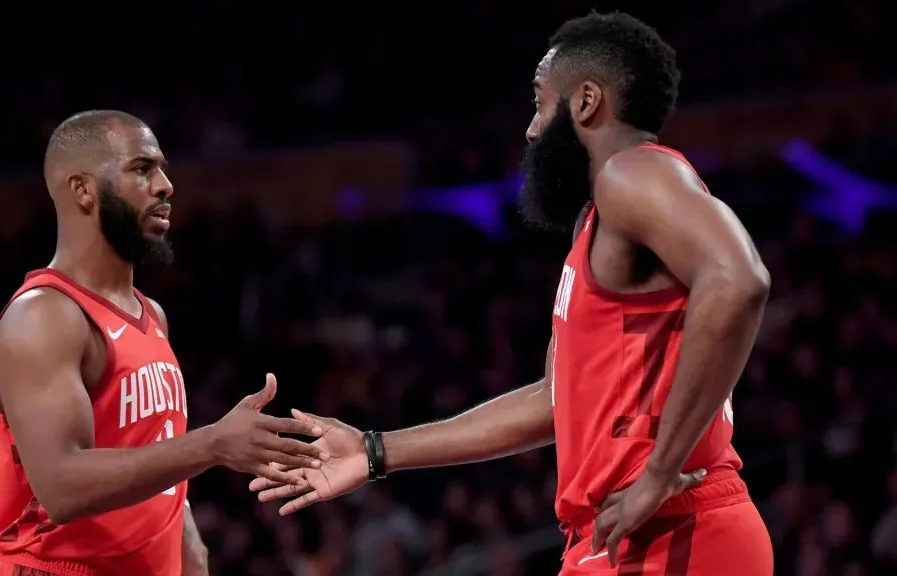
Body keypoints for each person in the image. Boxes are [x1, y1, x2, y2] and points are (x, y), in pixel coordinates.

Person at [250, 11, 774, 575]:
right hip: (621, 534)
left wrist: (659, 470)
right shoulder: (596, 223)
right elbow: (555, 400)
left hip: (673, 531)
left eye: (540, 103)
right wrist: (377, 450)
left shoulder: (632, 174)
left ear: (586, 102)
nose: (529, 129)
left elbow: (739, 281)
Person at [0, 110, 329, 576]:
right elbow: (61, 487)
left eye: (162, 169)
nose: (166, 185)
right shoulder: (45, 316)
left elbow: (154, 454)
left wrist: (190, 549)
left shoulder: (151, 315)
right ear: (82, 189)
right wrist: (211, 445)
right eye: (142, 169)